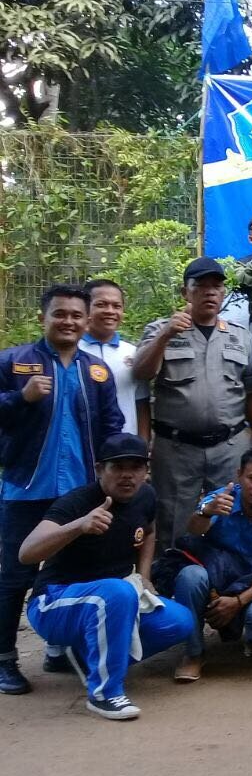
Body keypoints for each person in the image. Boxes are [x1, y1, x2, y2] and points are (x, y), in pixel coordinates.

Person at [0, 284, 125, 695]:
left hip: (78, 492)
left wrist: (112, 475)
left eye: (76, 315)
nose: (68, 321)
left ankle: (59, 649)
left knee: (71, 572)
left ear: (86, 321)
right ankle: (5, 659)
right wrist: (21, 398)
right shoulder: (14, 362)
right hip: (25, 487)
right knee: (15, 575)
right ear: (43, 318)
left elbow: (111, 426)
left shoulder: (97, 371)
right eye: (60, 314)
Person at [19, 433, 193, 719]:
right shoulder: (77, 502)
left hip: (112, 598)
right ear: (99, 469)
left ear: (146, 470)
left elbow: (149, 531)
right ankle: (104, 693)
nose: (127, 475)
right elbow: (26, 553)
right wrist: (78, 526)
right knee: (118, 592)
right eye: (118, 467)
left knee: (180, 621)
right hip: (54, 602)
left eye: (136, 467)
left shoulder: (145, 495)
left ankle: (86, 658)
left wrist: (144, 575)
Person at [133, 258, 252, 549]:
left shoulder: (240, 335)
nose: (209, 292)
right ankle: (173, 573)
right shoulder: (160, 329)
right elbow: (141, 373)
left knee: (230, 516)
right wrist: (166, 335)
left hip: (230, 446)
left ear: (223, 293)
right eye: (201, 286)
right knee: (173, 520)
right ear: (185, 292)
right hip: (176, 449)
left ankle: (223, 573)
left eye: (216, 287)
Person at [168, 447, 252, 682]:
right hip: (215, 575)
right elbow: (194, 531)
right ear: (239, 475)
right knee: (189, 576)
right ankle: (194, 653)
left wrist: (237, 602)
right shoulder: (221, 498)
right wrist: (206, 513)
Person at [80, 279, 150, 438]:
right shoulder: (72, 351)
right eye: (101, 304)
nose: (110, 311)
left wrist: (143, 444)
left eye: (116, 306)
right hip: (81, 444)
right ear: (85, 308)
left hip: (124, 446)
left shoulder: (134, 353)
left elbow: (141, 402)